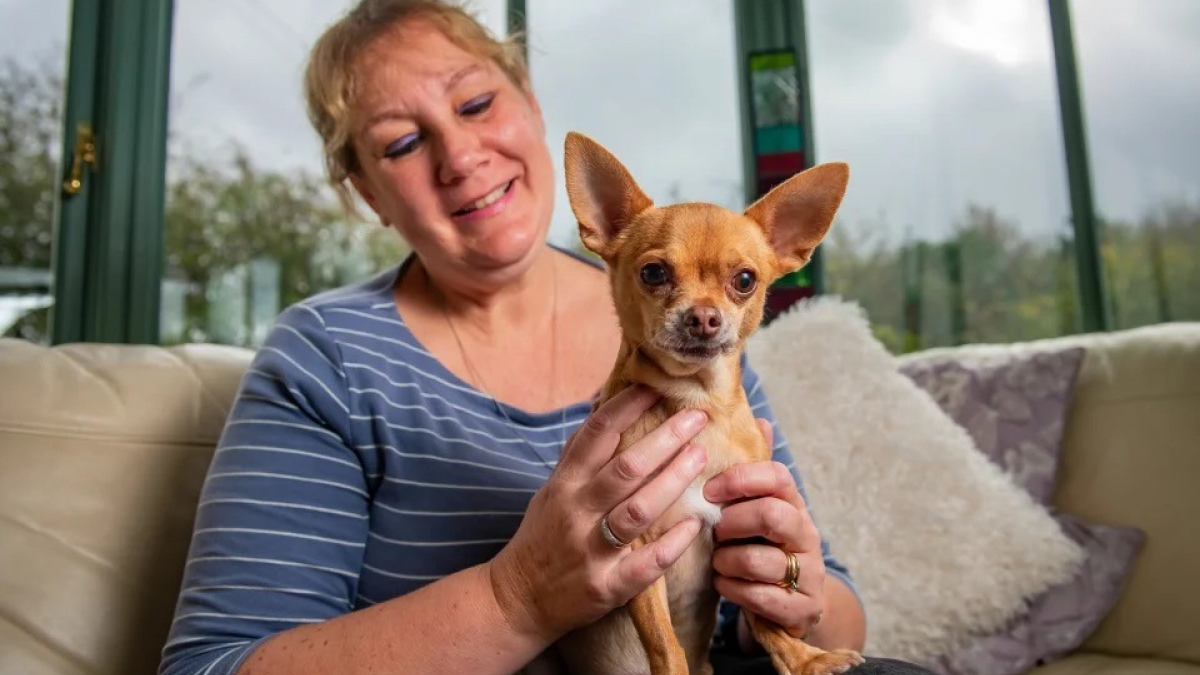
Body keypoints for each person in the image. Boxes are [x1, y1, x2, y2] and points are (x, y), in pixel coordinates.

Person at [159, 2, 931, 674]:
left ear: (530, 103)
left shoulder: (699, 345)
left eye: (477, 103)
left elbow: (836, 614)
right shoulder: (326, 355)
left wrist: (797, 591)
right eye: (400, 143)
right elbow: (213, 663)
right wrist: (520, 594)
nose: (461, 158)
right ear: (365, 190)